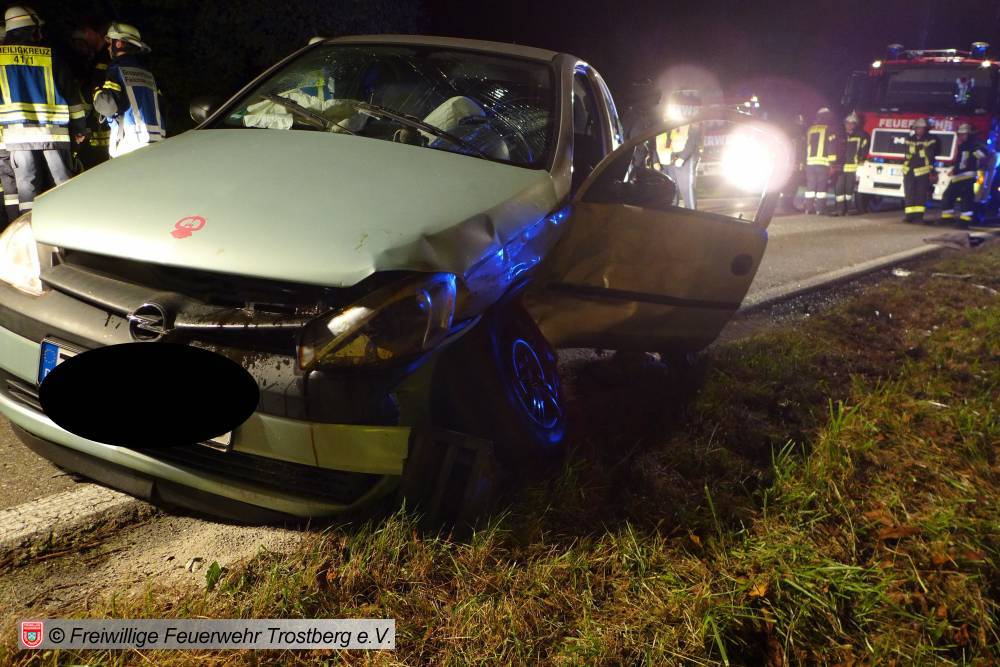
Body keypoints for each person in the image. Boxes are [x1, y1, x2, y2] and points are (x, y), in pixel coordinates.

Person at [0, 6, 87, 213]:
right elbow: (72, 96)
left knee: (27, 189)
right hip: (54, 134)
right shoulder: (50, 56)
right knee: (62, 186)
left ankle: (30, 228)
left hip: (17, 137)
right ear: (32, 30)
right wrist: (79, 128)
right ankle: (69, 225)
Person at [93, 22, 164, 158]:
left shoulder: (116, 69)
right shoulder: (148, 73)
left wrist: (96, 90)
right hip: (157, 140)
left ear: (119, 43)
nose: (108, 48)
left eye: (110, 43)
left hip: (129, 144)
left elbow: (108, 106)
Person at [70, 20, 111, 169]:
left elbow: (89, 93)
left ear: (89, 32)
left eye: (80, 41)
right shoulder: (97, 59)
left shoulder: (102, 61)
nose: (78, 47)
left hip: (99, 132)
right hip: (100, 132)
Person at [655, 89, 703, 209]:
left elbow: (693, 139)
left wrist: (682, 157)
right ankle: (673, 213)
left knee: (686, 188)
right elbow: (657, 139)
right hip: (668, 159)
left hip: (685, 158)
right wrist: (656, 159)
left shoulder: (691, 119)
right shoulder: (665, 118)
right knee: (671, 189)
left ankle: (692, 214)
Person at [941, 123, 990, 227]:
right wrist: (954, 169)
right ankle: (947, 218)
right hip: (958, 176)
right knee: (948, 196)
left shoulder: (975, 145)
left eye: (963, 134)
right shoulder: (963, 145)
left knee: (966, 200)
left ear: (969, 134)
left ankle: (964, 222)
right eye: (960, 134)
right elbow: (960, 161)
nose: (961, 136)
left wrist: (973, 153)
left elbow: (983, 155)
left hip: (967, 177)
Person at [902, 118, 939, 223]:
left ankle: (918, 217)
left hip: (923, 171)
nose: (920, 130)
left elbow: (930, 153)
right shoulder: (909, 139)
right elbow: (907, 151)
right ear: (915, 128)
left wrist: (917, 152)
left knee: (920, 194)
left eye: (922, 128)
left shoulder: (931, 139)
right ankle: (909, 216)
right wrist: (920, 152)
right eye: (918, 128)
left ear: (925, 129)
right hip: (909, 170)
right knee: (909, 193)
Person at [833, 112, 869, 216]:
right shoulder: (840, 135)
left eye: (851, 123)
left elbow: (864, 151)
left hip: (853, 168)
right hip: (841, 167)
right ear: (844, 123)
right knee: (839, 189)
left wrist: (860, 167)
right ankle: (840, 209)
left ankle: (848, 209)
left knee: (849, 190)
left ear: (855, 124)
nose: (849, 125)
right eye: (847, 123)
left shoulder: (862, 136)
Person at [804, 108, 839, 215]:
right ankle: (820, 209)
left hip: (810, 163)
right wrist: (833, 164)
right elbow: (831, 147)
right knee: (821, 187)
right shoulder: (830, 129)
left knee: (810, 186)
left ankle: (808, 208)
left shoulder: (810, 129)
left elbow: (806, 146)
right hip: (823, 163)